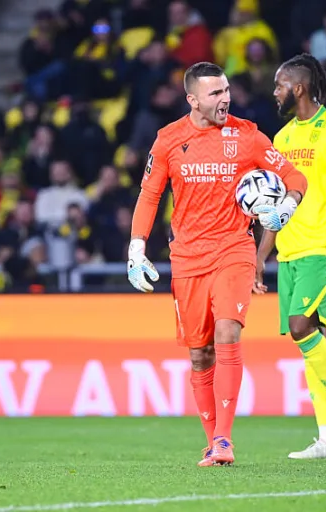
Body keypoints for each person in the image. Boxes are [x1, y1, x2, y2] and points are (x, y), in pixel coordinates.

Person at [126, 62, 308, 467]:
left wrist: (286, 208)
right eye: (214, 94)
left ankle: (225, 439)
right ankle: (213, 442)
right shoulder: (168, 140)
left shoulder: (248, 137)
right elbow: (150, 195)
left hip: (233, 250)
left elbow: (295, 177)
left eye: (226, 90)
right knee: (199, 355)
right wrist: (136, 248)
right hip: (187, 258)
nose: (225, 98)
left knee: (228, 332)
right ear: (192, 99)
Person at [254, 53, 326, 459]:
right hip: (290, 250)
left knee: (301, 326)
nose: (274, 92)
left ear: (298, 88)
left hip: (324, 248)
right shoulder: (283, 138)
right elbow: (276, 203)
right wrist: (261, 254)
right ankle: (325, 435)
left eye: (279, 85)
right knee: (309, 339)